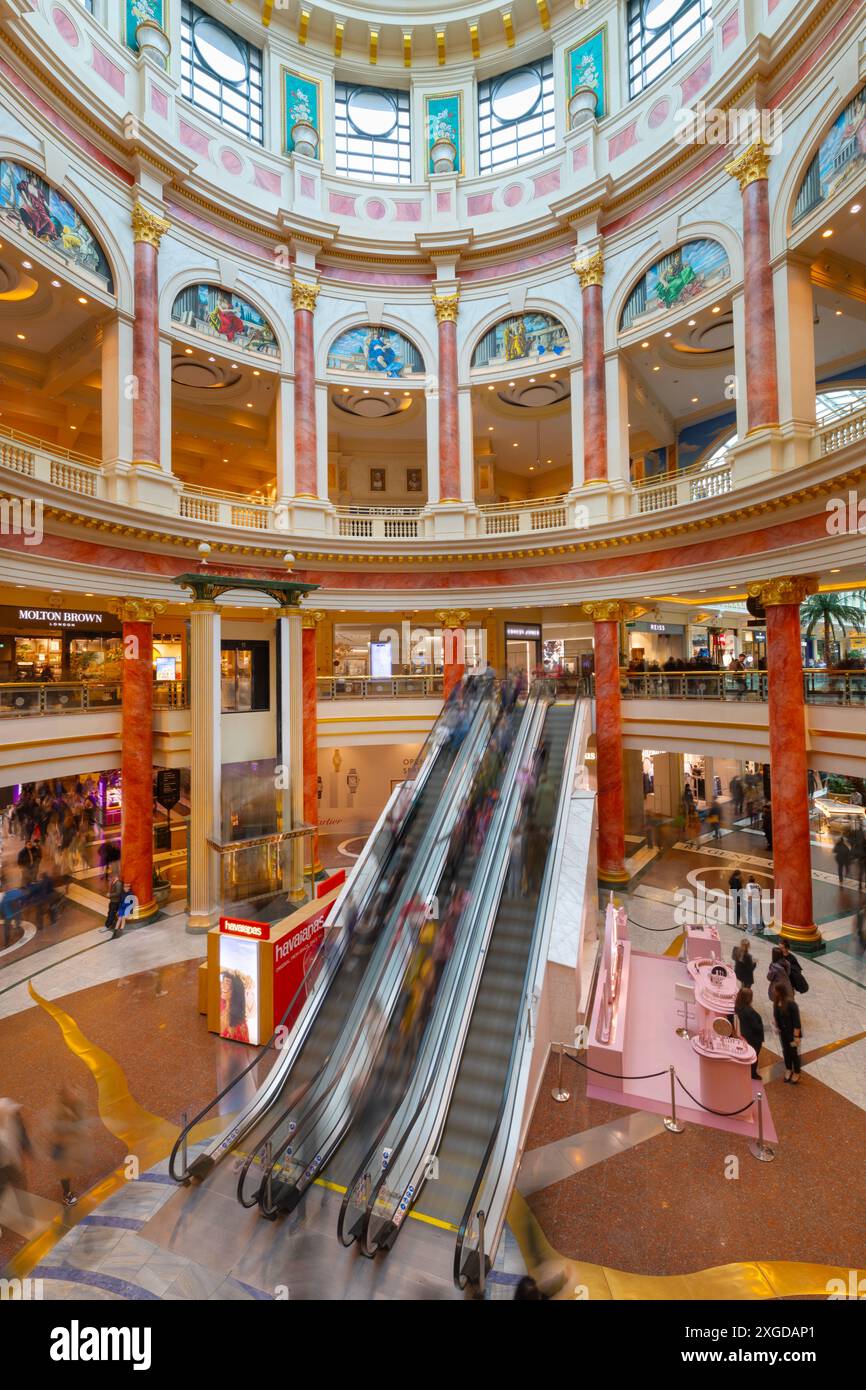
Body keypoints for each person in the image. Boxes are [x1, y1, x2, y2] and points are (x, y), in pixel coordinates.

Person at [47, 1087, 88, 1207]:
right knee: (64, 1172)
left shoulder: (74, 1105)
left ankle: (66, 1191)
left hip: (70, 1146)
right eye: (70, 1094)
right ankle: (66, 1195)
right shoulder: (60, 1111)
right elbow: (57, 1128)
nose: (73, 1095)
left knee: (68, 1170)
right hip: (63, 1146)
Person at [773, 985, 803, 1083]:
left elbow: (797, 1022)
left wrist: (796, 1037)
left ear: (780, 991)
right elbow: (776, 1015)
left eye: (775, 990)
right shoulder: (777, 1002)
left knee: (793, 1053)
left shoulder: (791, 1004)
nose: (774, 992)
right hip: (783, 1033)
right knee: (786, 1051)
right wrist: (777, 1026)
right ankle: (788, 1068)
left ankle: (797, 1072)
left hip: (792, 1034)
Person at [734, 987, 764, 1080]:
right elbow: (757, 1027)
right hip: (754, 1038)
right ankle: (752, 1074)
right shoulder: (750, 1012)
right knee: (754, 1055)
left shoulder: (738, 1007)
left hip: (745, 1034)